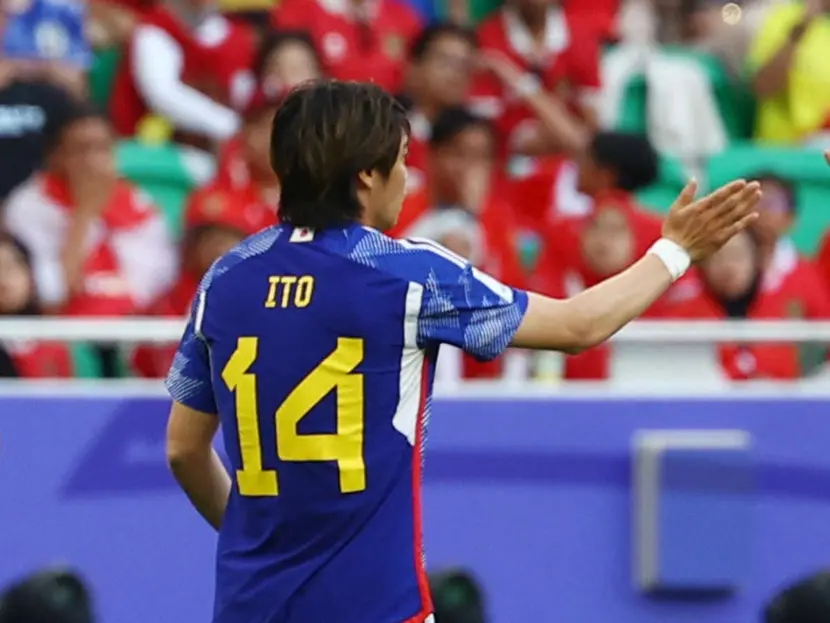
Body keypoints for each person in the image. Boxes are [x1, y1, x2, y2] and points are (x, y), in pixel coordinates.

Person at [164, 80, 759, 623]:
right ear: (366, 176)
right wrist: (675, 252)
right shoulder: (403, 274)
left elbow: (184, 449)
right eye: (402, 161)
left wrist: (256, 541)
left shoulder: (226, 277)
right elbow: (578, 325)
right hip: (375, 608)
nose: (408, 178)